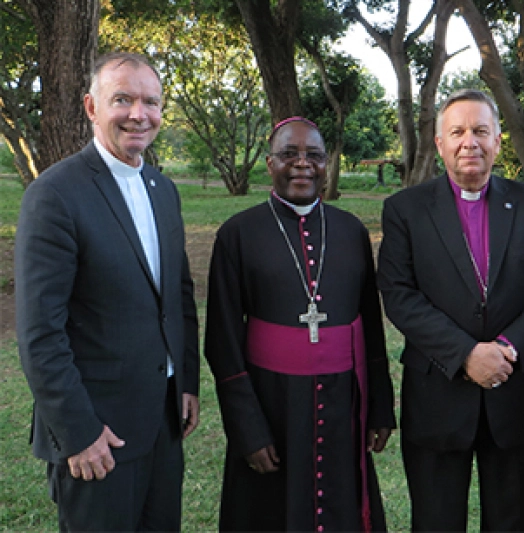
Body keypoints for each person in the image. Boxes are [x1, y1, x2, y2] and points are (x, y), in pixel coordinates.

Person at [14, 51, 200, 531]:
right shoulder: (55, 196)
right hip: (99, 436)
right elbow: (39, 333)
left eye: (151, 102)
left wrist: (187, 383)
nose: (139, 114)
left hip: (162, 422)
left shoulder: (164, 189)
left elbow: (177, 298)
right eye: (123, 99)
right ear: (91, 107)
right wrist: (78, 433)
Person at [377, 89, 524, 531]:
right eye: (458, 132)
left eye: (481, 131)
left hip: (515, 392)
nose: (471, 142)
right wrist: (466, 354)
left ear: (498, 141)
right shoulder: (405, 210)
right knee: (436, 523)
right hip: (437, 398)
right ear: (440, 142)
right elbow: (399, 294)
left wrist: (505, 348)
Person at [204, 116, 396, 532]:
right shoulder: (237, 234)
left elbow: (370, 327)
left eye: (314, 155)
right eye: (289, 154)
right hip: (272, 402)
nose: (302, 164)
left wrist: (380, 405)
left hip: (343, 402)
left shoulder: (350, 231)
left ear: (327, 165)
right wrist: (247, 429)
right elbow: (222, 342)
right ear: (270, 164)